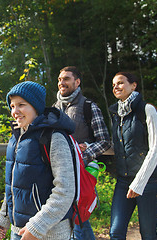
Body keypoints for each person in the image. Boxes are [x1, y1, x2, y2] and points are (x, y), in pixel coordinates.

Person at [0, 81, 77, 240]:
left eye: (21, 105)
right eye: (12, 106)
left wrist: (37, 226)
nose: (15, 111)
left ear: (36, 107)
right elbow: (13, 186)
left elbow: (65, 190)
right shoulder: (15, 139)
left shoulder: (53, 137)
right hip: (19, 231)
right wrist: (3, 217)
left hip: (49, 232)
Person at [54, 66, 111, 240]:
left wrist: (82, 152)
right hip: (58, 174)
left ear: (77, 82)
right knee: (74, 220)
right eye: (59, 79)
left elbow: (104, 141)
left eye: (66, 79)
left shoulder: (88, 106)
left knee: (78, 217)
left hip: (81, 174)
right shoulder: (54, 109)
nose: (61, 82)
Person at [109, 72, 157, 239]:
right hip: (123, 181)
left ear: (133, 85)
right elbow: (119, 147)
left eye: (120, 83)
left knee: (147, 234)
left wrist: (139, 183)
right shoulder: (116, 114)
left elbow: (156, 148)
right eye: (113, 85)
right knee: (116, 232)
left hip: (149, 182)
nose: (116, 87)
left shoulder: (147, 109)